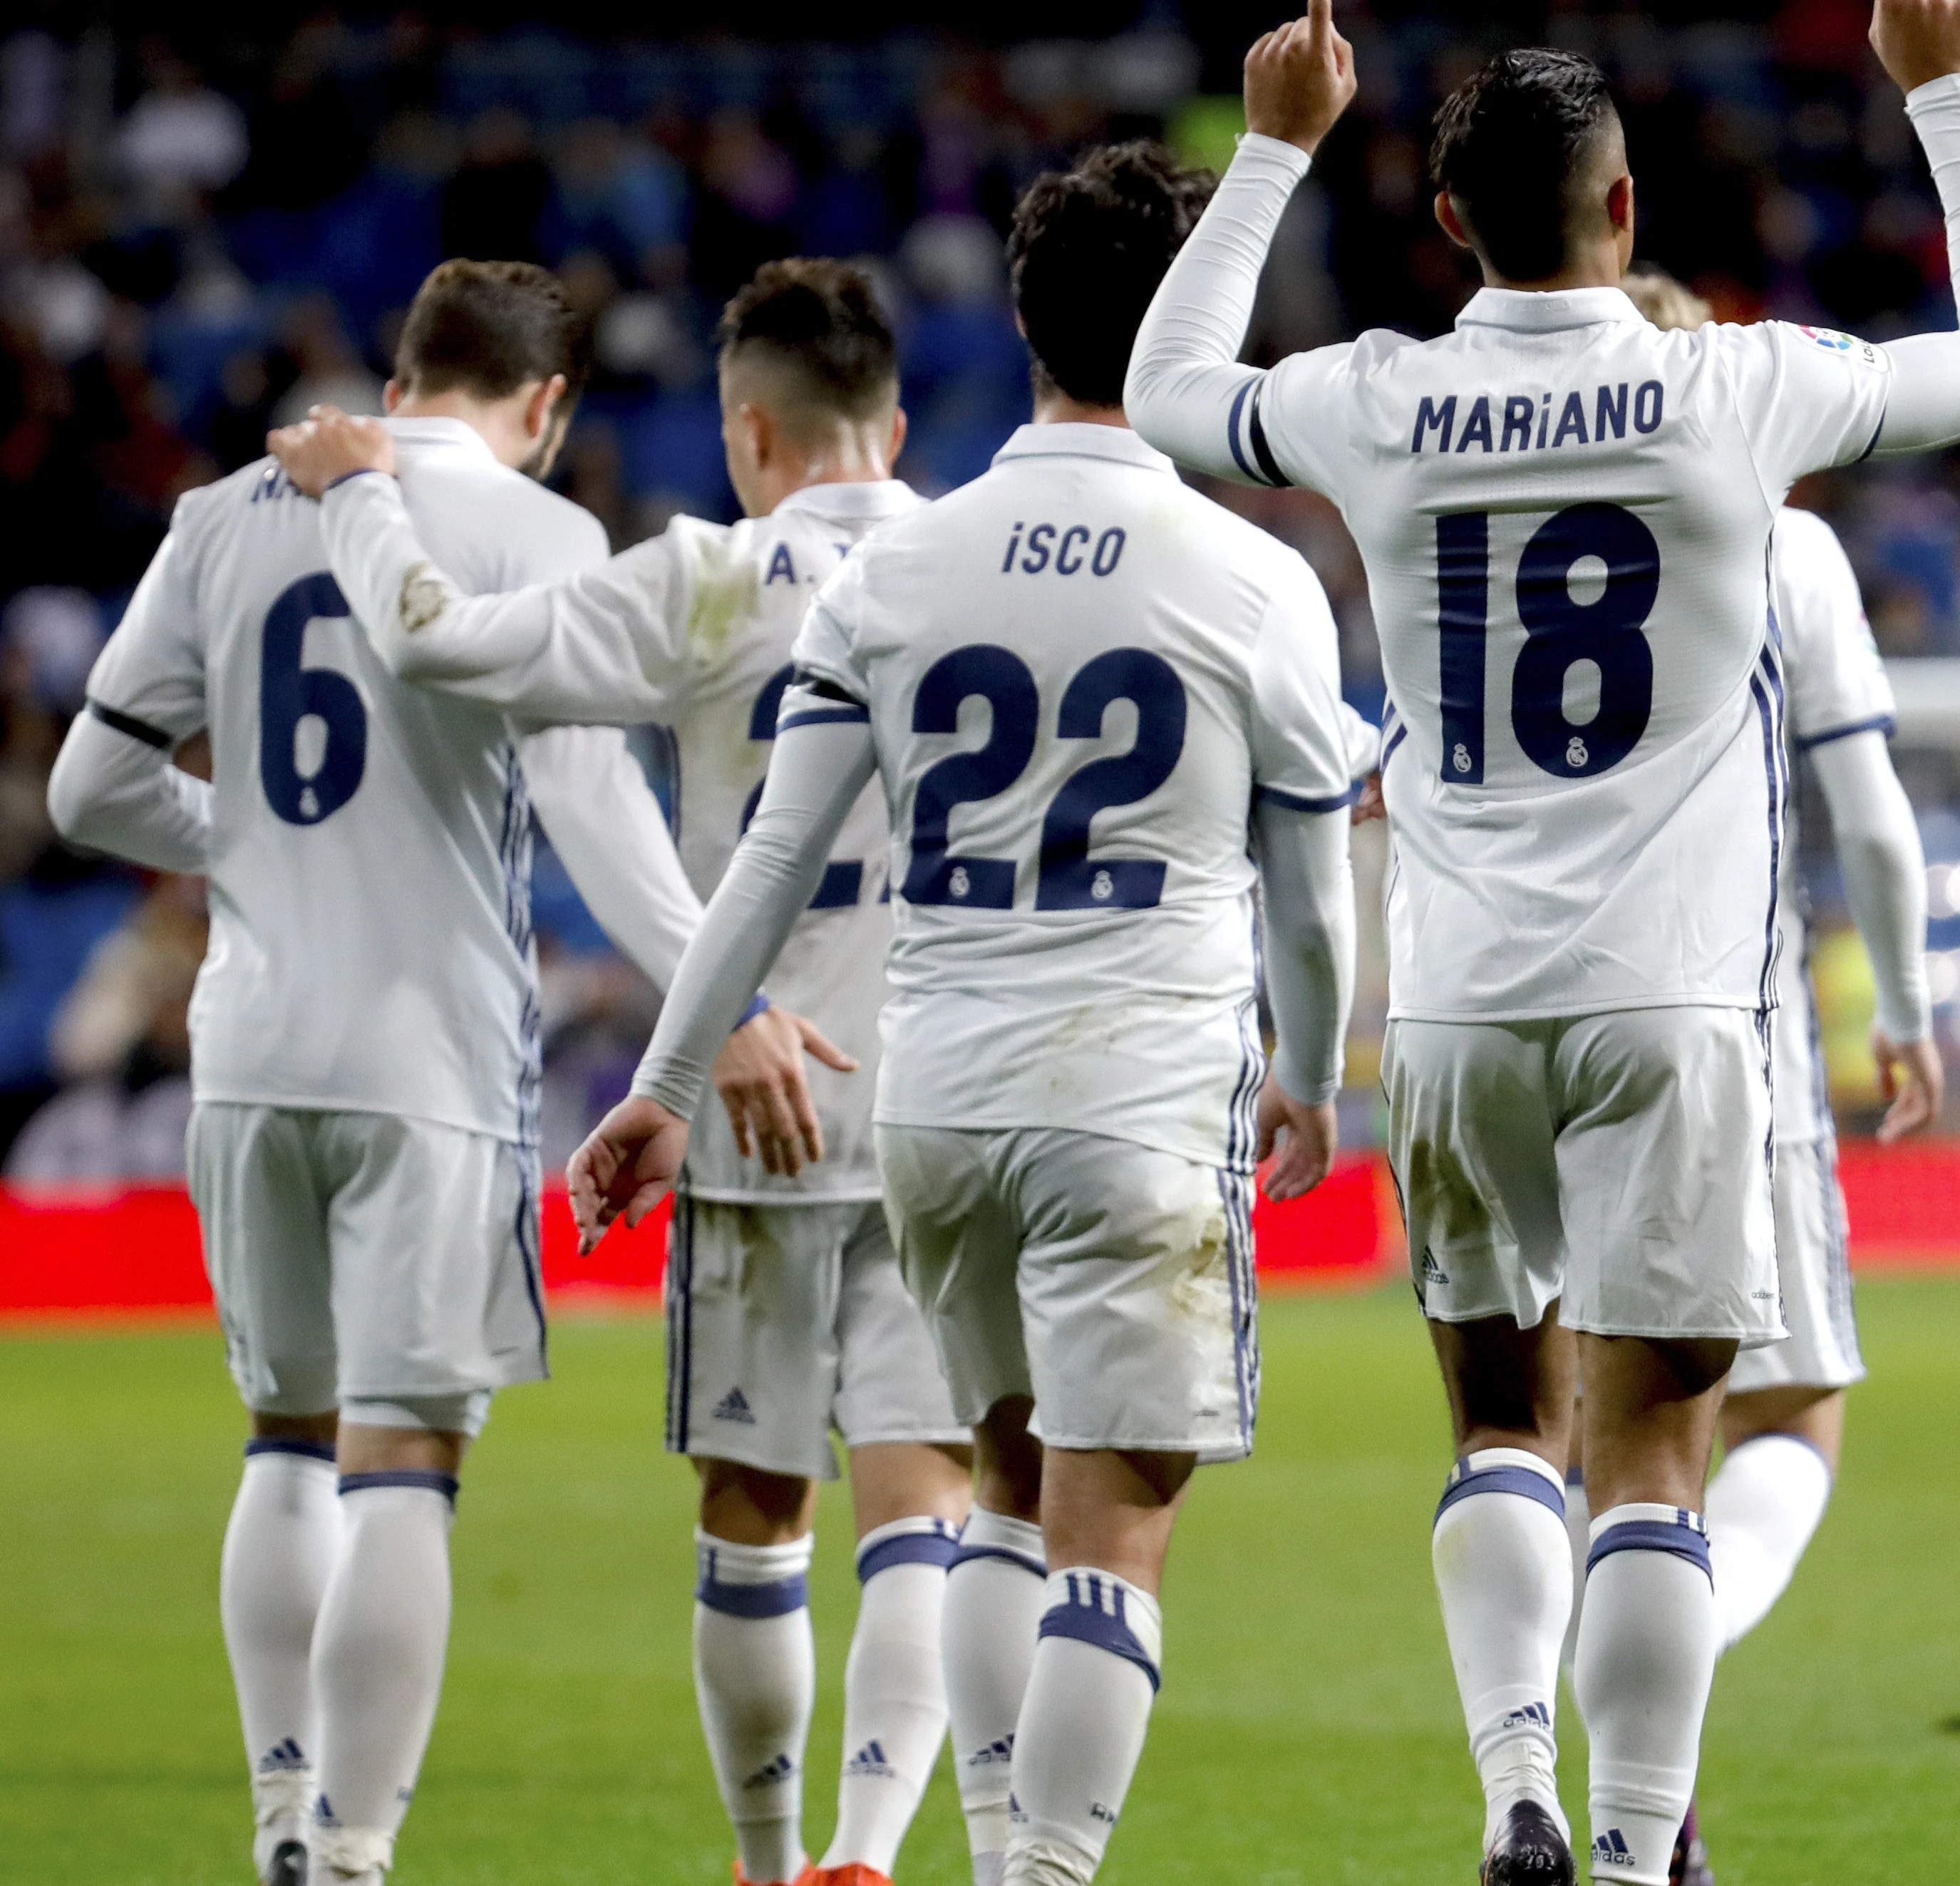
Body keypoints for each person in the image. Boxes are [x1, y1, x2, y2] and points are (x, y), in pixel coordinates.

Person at [1124, 3, 1960, 1880]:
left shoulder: (1376, 395)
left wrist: (1276, 146)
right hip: (1678, 1004)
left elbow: (1161, 391)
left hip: (1460, 1003)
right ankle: (1633, 1854)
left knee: (1497, 1426)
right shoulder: (1744, 387)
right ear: (1625, 205)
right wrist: (1943, 91)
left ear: (1453, 225)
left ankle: (1516, 1793)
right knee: (1653, 1452)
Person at [564, 142, 1365, 1886]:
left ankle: (981, 1852)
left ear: (1020, 321)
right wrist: (1310, 1075)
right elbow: (1313, 893)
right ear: (1200, 325)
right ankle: (1032, 1872)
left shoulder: (900, 576)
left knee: (1000, 1498)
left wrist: (665, 1080)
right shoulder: (1249, 577)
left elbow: (769, 863)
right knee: (1116, 1532)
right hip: (1136, 1097)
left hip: (936, 1108)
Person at [263, 258, 971, 1886]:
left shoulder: (708, 578)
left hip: (759, 1104)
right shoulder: (978, 559)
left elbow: (444, 648)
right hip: (942, 1094)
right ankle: (867, 1854)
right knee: (920, 1500)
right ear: (900, 421)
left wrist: (369, 497)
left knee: (756, 1513)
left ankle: (767, 1857)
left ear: (747, 429)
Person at [42, 259, 744, 1886]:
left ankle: (283, 1812)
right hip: (426, 1057)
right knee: (405, 1453)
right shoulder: (538, 532)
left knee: (284, 1440)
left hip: (248, 1047)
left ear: (409, 367)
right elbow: (590, 803)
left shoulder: (224, 512)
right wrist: (720, 990)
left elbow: (88, 784)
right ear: (546, 406)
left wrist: (255, 845)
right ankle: (353, 1853)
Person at [1599, 264, 1942, 1885]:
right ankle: (1643, 1718)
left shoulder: (1506, 524)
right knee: (1784, 1417)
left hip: (1519, 1013)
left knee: (1558, 1434)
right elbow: (1868, 810)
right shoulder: (1784, 542)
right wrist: (1911, 1002)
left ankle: (1560, 1747)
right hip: (1729, 1017)